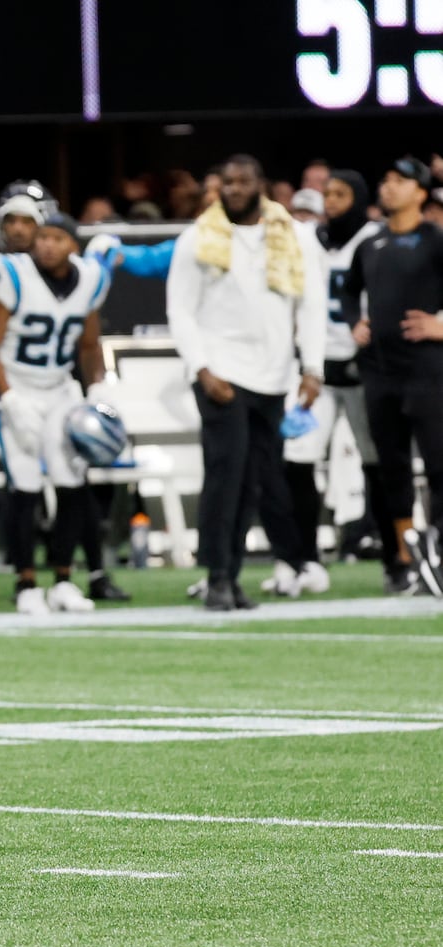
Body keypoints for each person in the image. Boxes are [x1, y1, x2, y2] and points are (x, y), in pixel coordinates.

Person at [167, 154, 326, 611]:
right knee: (225, 477)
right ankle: (217, 576)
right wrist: (201, 368)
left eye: (243, 181)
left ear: (262, 184)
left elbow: (311, 306)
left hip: (274, 376)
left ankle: (234, 577)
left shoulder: (297, 236)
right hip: (222, 374)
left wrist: (312, 369)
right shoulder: (198, 238)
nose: (234, 189)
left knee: (256, 482)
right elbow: (181, 310)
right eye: (227, 183)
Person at [0, 213, 112, 614]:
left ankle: (64, 579)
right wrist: (8, 398)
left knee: (71, 482)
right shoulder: (13, 274)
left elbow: (89, 344)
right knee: (24, 484)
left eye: (56, 238)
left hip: (60, 390)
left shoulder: (90, 278)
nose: (46, 245)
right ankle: (25, 582)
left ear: (73, 245)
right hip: (19, 389)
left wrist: (98, 388)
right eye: (43, 237)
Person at [266, 169, 383, 597]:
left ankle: (392, 556)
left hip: (364, 366)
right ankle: (304, 557)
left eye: (339, 194)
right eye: (326, 193)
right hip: (315, 369)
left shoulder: (375, 238)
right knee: (297, 460)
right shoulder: (304, 240)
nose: (330, 201)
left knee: (377, 463)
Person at [346, 156, 443, 593]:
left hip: (427, 368)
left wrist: (441, 325)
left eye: (399, 181)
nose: (387, 188)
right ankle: (402, 557)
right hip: (379, 371)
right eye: (384, 179)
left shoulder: (435, 240)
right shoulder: (371, 244)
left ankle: (437, 551)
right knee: (391, 468)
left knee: (439, 465)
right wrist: (355, 322)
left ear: (421, 192)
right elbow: (349, 292)